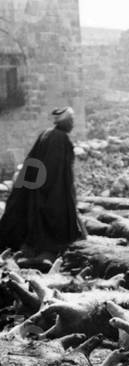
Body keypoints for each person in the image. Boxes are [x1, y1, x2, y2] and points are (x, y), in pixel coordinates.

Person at [0, 105, 87, 257]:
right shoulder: (60, 139)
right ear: (65, 122)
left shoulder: (46, 134)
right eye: (71, 120)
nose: (73, 124)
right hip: (49, 188)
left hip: (36, 184)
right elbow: (57, 172)